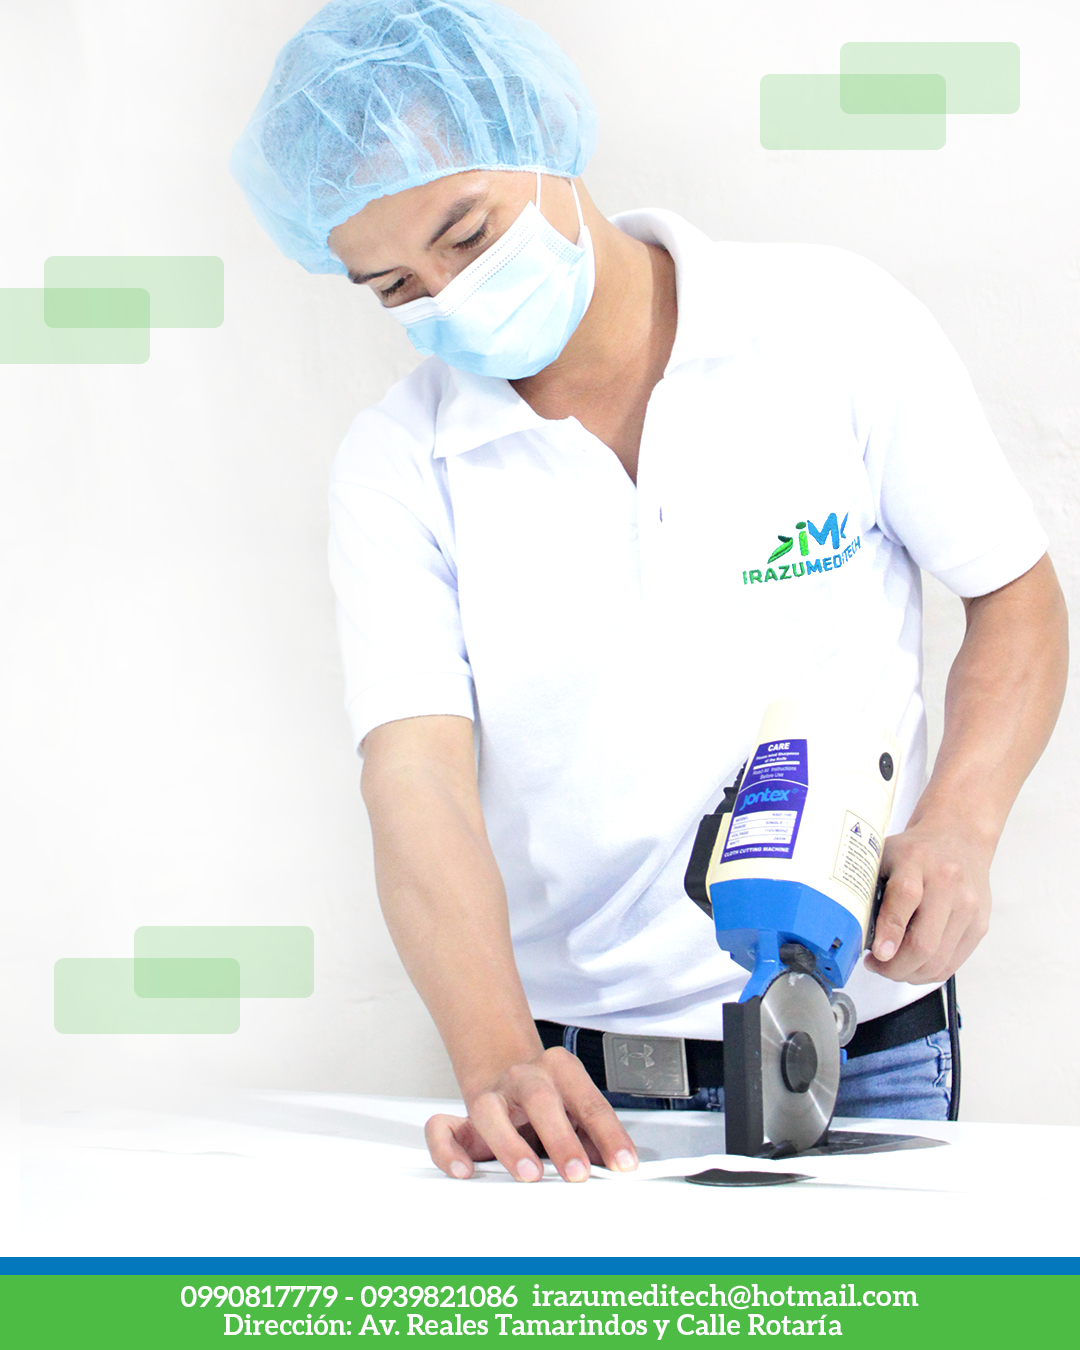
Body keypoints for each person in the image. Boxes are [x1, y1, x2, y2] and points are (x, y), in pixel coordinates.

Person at [231, 0, 1068, 1183]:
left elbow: (1014, 594)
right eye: (395, 286)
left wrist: (962, 826)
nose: (447, 297)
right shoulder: (403, 464)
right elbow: (416, 775)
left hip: (864, 1036)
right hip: (588, 1077)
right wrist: (498, 1056)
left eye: (466, 235)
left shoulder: (833, 326)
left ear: (539, 134)